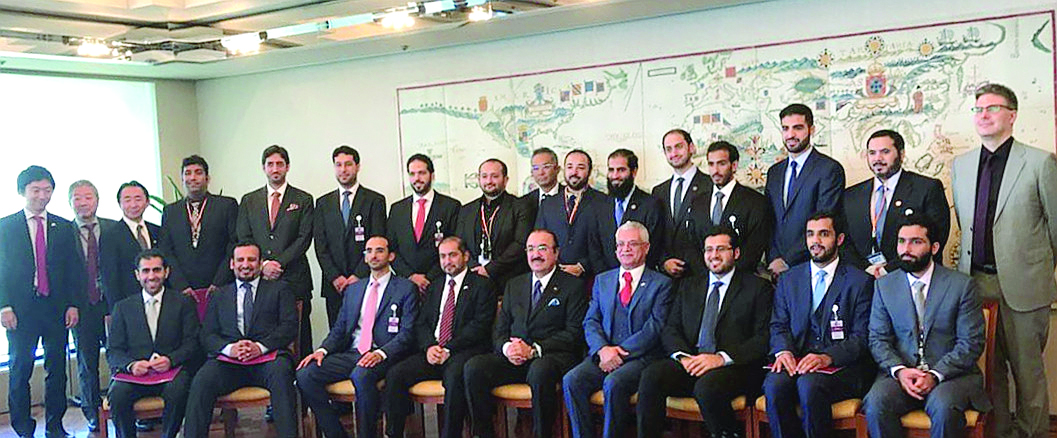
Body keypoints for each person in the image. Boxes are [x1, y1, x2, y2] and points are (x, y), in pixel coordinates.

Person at [951, 83, 1057, 438]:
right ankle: (996, 433)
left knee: (1028, 373)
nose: (983, 115)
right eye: (978, 109)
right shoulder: (961, 165)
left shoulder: (1041, 162)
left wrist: (1044, 274)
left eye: (992, 108)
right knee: (988, 373)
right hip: (975, 284)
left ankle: (1033, 434)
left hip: (1025, 286)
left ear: (1011, 115)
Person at [637, 226, 773, 438]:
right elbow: (671, 328)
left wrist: (720, 359)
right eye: (708, 250)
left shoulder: (757, 288)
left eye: (721, 249)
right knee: (651, 376)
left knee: (707, 387)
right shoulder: (689, 285)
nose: (714, 255)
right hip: (692, 362)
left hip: (735, 367)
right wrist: (683, 357)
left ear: (735, 253)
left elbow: (763, 338)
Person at [863, 217, 990, 438]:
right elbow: (877, 339)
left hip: (950, 376)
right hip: (901, 375)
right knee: (876, 403)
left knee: (944, 407)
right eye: (901, 241)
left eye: (915, 242)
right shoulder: (884, 286)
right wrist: (900, 371)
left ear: (934, 247)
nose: (906, 249)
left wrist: (935, 374)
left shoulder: (961, 285)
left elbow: (971, 343)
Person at [464, 229, 589, 438]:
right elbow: (500, 329)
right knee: (474, 368)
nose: (535, 254)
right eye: (530, 249)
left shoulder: (573, 286)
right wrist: (507, 348)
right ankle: (484, 434)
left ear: (556, 253)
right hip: (514, 357)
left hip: (553, 356)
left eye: (542, 248)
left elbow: (574, 333)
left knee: (540, 370)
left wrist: (533, 350)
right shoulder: (515, 284)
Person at [763, 211, 874, 438]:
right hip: (797, 360)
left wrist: (826, 358)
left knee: (809, 386)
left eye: (824, 234)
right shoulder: (789, 279)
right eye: (810, 234)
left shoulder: (860, 281)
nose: (816, 241)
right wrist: (783, 351)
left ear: (839, 239)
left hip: (843, 368)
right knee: (774, 386)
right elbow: (778, 324)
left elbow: (861, 338)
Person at [296, 236, 418, 438]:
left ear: (391, 256)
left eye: (379, 250)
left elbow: (407, 333)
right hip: (353, 353)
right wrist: (321, 350)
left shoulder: (405, 288)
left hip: (385, 354)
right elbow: (340, 329)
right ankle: (336, 434)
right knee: (305, 374)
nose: (373, 255)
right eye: (369, 251)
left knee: (361, 375)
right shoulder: (354, 289)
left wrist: (380, 353)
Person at [563, 221, 672, 438]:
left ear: (646, 247)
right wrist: (603, 349)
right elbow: (591, 321)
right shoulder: (602, 280)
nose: (626, 249)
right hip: (603, 354)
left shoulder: (661, 283)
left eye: (633, 244)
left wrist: (618, 352)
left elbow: (655, 327)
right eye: (621, 244)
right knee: (572, 379)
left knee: (614, 383)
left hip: (641, 358)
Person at [382, 236, 496, 438]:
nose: (447, 261)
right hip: (433, 351)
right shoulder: (434, 286)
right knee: (395, 374)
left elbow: (479, 326)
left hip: (463, 351)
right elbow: (422, 323)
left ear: (466, 256)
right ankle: (394, 434)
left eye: (452, 255)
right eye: (443, 256)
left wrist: (448, 348)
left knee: (454, 378)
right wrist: (429, 347)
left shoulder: (482, 285)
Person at [183, 242, 299, 438]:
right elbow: (207, 335)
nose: (246, 264)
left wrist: (259, 347)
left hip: (268, 360)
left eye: (251, 259)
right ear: (232, 264)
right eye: (241, 260)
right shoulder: (219, 295)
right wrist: (229, 349)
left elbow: (289, 327)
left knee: (282, 374)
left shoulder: (279, 290)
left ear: (261, 263)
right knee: (201, 380)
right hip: (229, 363)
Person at [0, 165, 83, 438]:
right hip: (20, 310)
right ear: (22, 191)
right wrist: (4, 306)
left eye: (47, 190)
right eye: (36, 190)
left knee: (57, 369)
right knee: (20, 369)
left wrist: (72, 304)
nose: (42, 196)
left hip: (55, 308)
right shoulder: (5, 226)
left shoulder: (63, 226)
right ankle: (23, 428)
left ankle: (56, 426)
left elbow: (73, 269)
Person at [106, 250, 200, 438]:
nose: (151, 276)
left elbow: (193, 342)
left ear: (166, 272)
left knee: (179, 390)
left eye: (156, 270)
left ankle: (169, 436)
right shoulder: (122, 307)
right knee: (117, 395)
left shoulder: (183, 303)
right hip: (135, 374)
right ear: (137, 275)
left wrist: (171, 360)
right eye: (146, 271)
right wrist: (131, 365)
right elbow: (113, 351)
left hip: (171, 372)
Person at [237, 144, 315, 354]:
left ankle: (302, 380)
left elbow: (304, 238)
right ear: (263, 168)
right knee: (266, 333)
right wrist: (262, 265)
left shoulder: (303, 199)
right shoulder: (248, 201)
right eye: (270, 164)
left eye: (279, 164)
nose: (275, 169)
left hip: (294, 278)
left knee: (300, 336)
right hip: (260, 279)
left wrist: (278, 263)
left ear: (287, 167)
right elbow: (244, 237)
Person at [842, 130, 948, 278]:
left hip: (911, 277)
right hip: (864, 279)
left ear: (902, 154)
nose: (877, 158)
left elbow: (937, 237)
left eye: (885, 152)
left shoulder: (927, 188)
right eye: (872, 153)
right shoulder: (851, 195)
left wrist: (888, 269)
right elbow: (844, 241)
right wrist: (867, 269)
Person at [765, 104, 845, 276]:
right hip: (775, 269)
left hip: (812, 264)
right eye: (785, 128)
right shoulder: (774, 173)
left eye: (798, 128)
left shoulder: (829, 169)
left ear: (812, 129)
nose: (791, 134)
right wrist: (773, 258)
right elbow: (769, 221)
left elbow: (825, 220)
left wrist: (788, 261)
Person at [314, 146, 387, 326]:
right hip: (334, 286)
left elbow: (379, 241)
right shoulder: (323, 203)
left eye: (348, 164)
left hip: (366, 279)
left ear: (357, 166)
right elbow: (320, 246)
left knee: (366, 334)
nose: (343, 169)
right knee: (338, 335)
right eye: (338, 165)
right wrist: (335, 277)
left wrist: (358, 275)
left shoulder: (374, 200)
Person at [68, 180, 118, 432]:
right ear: (70, 203)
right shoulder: (64, 232)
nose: (83, 202)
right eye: (77, 198)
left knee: (118, 356)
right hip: (81, 307)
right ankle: (92, 412)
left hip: (111, 306)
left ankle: (120, 407)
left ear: (97, 200)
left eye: (88, 197)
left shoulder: (112, 228)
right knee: (87, 363)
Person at [158, 155, 239, 302]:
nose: (193, 177)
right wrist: (181, 285)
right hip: (182, 289)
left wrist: (219, 282)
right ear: (182, 179)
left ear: (207, 178)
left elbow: (233, 246)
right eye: (187, 173)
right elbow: (166, 251)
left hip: (220, 286)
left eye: (198, 172)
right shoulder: (170, 212)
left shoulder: (226, 206)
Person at [687, 140, 773, 274]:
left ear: (734, 165)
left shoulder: (754, 202)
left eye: (721, 164)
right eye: (711, 164)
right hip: (704, 283)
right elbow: (692, 245)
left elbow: (754, 248)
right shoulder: (697, 202)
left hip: (740, 283)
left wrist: (727, 278)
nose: (715, 171)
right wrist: (708, 276)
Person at [387, 154, 461, 294]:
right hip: (405, 284)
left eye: (421, 173)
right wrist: (411, 276)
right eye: (412, 174)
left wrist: (429, 278)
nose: (417, 178)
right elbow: (391, 248)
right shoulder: (397, 209)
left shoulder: (450, 206)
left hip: (439, 282)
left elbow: (455, 245)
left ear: (432, 175)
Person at [457, 158, 531, 291]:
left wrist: (490, 269)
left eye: (495, 176)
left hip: (509, 280)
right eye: (484, 176)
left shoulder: (520, 206)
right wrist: (475, 268)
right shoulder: (466, 210)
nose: (489, 181)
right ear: (478, 179)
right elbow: (460, 244)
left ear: (506, 179)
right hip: (474, 279)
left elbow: (520, 243)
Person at [592, 149, 667, 273]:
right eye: (611, 170)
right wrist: (609, 278)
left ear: (634, 171)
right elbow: (594, 248)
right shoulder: (600, 205)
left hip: (641, 280)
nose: (615, 176)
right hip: (608, 281)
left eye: (621, 170)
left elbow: (654, 248)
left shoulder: (650, 204)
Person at [535, 150, 606, 278]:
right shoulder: (548, 204)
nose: (574, 172)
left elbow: (606, 244)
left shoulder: (603, 202)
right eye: (569, 167)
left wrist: (582, 266)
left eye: (580, 167)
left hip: (590, 277)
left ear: (589, 171)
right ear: (563, 170)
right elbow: (540, 241)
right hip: (555, 276)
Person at [653, 129, 711, 280]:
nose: (674, 153)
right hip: (666, 278)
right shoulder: (659, 191)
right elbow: (656, 233)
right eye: (668, 149)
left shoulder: (709, 185)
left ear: (691, 148)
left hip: (701, 275)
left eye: (679, 147)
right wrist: (663, 262)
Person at [101, 180, 161, 310]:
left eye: (138, 199)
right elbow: (110, 278)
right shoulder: (109, 235)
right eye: (127, 200)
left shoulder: (158, 231)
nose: (133, 205)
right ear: (120, 204)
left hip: (160, 301)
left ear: (147, 202)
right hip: (129, 304)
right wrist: (117, 309)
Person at [520, 147, 563, 221]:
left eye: (546, 167)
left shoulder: (569, 197)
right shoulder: (524, 202)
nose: (541, 173)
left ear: (557, 169)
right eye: (536, 168)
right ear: (532, 172)